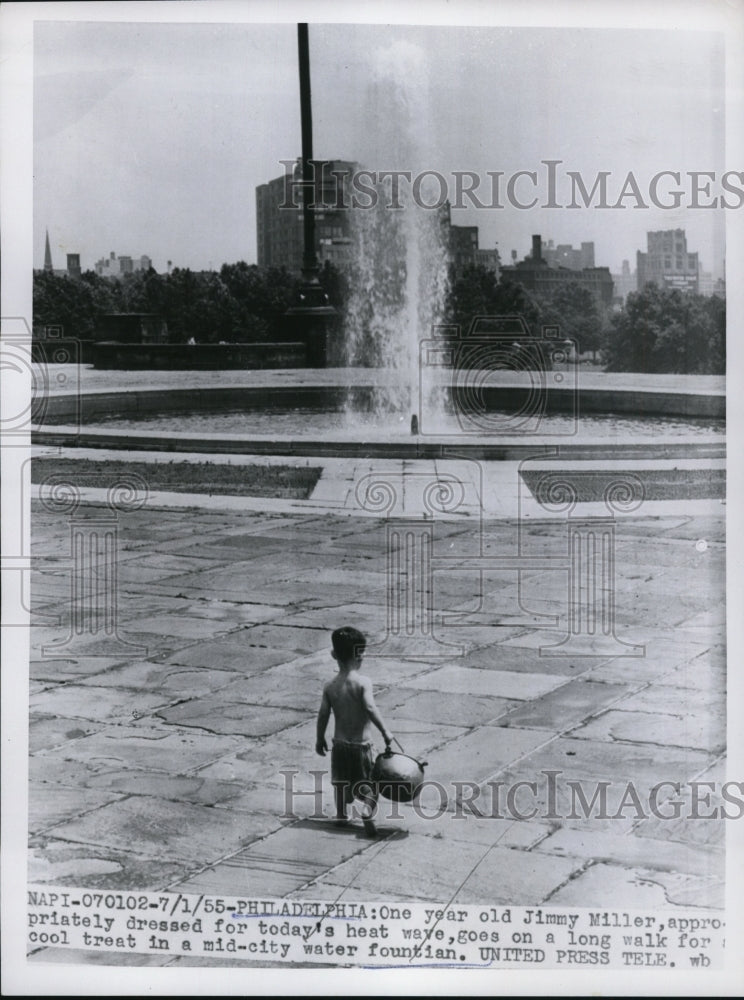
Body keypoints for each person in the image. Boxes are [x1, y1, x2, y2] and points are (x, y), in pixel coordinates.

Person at [315, 626, 393, 837]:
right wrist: (385, 731)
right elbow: (369, 707)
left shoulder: (330, 686)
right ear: (360, 655)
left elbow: (323, 714)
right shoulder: (363, 682)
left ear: (333, 655)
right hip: (362, 745)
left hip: (339, 744)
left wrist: (319, 738)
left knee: (340, 783)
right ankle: (367, 810)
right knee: (370, 784)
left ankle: (341, 815)